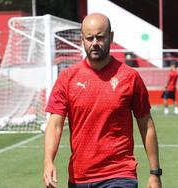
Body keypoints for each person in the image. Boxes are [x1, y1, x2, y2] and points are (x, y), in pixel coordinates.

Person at [43, 13, 162, 188]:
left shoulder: (130, 77)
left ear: (111, 37)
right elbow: (55, 125)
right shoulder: (67, 78)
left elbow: (146, 125)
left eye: (100, 37)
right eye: (89, 38)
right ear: (82, 39)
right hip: (79, 178)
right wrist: (48, 161)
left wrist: (155, 173)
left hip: (120, 174)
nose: (95, 43)